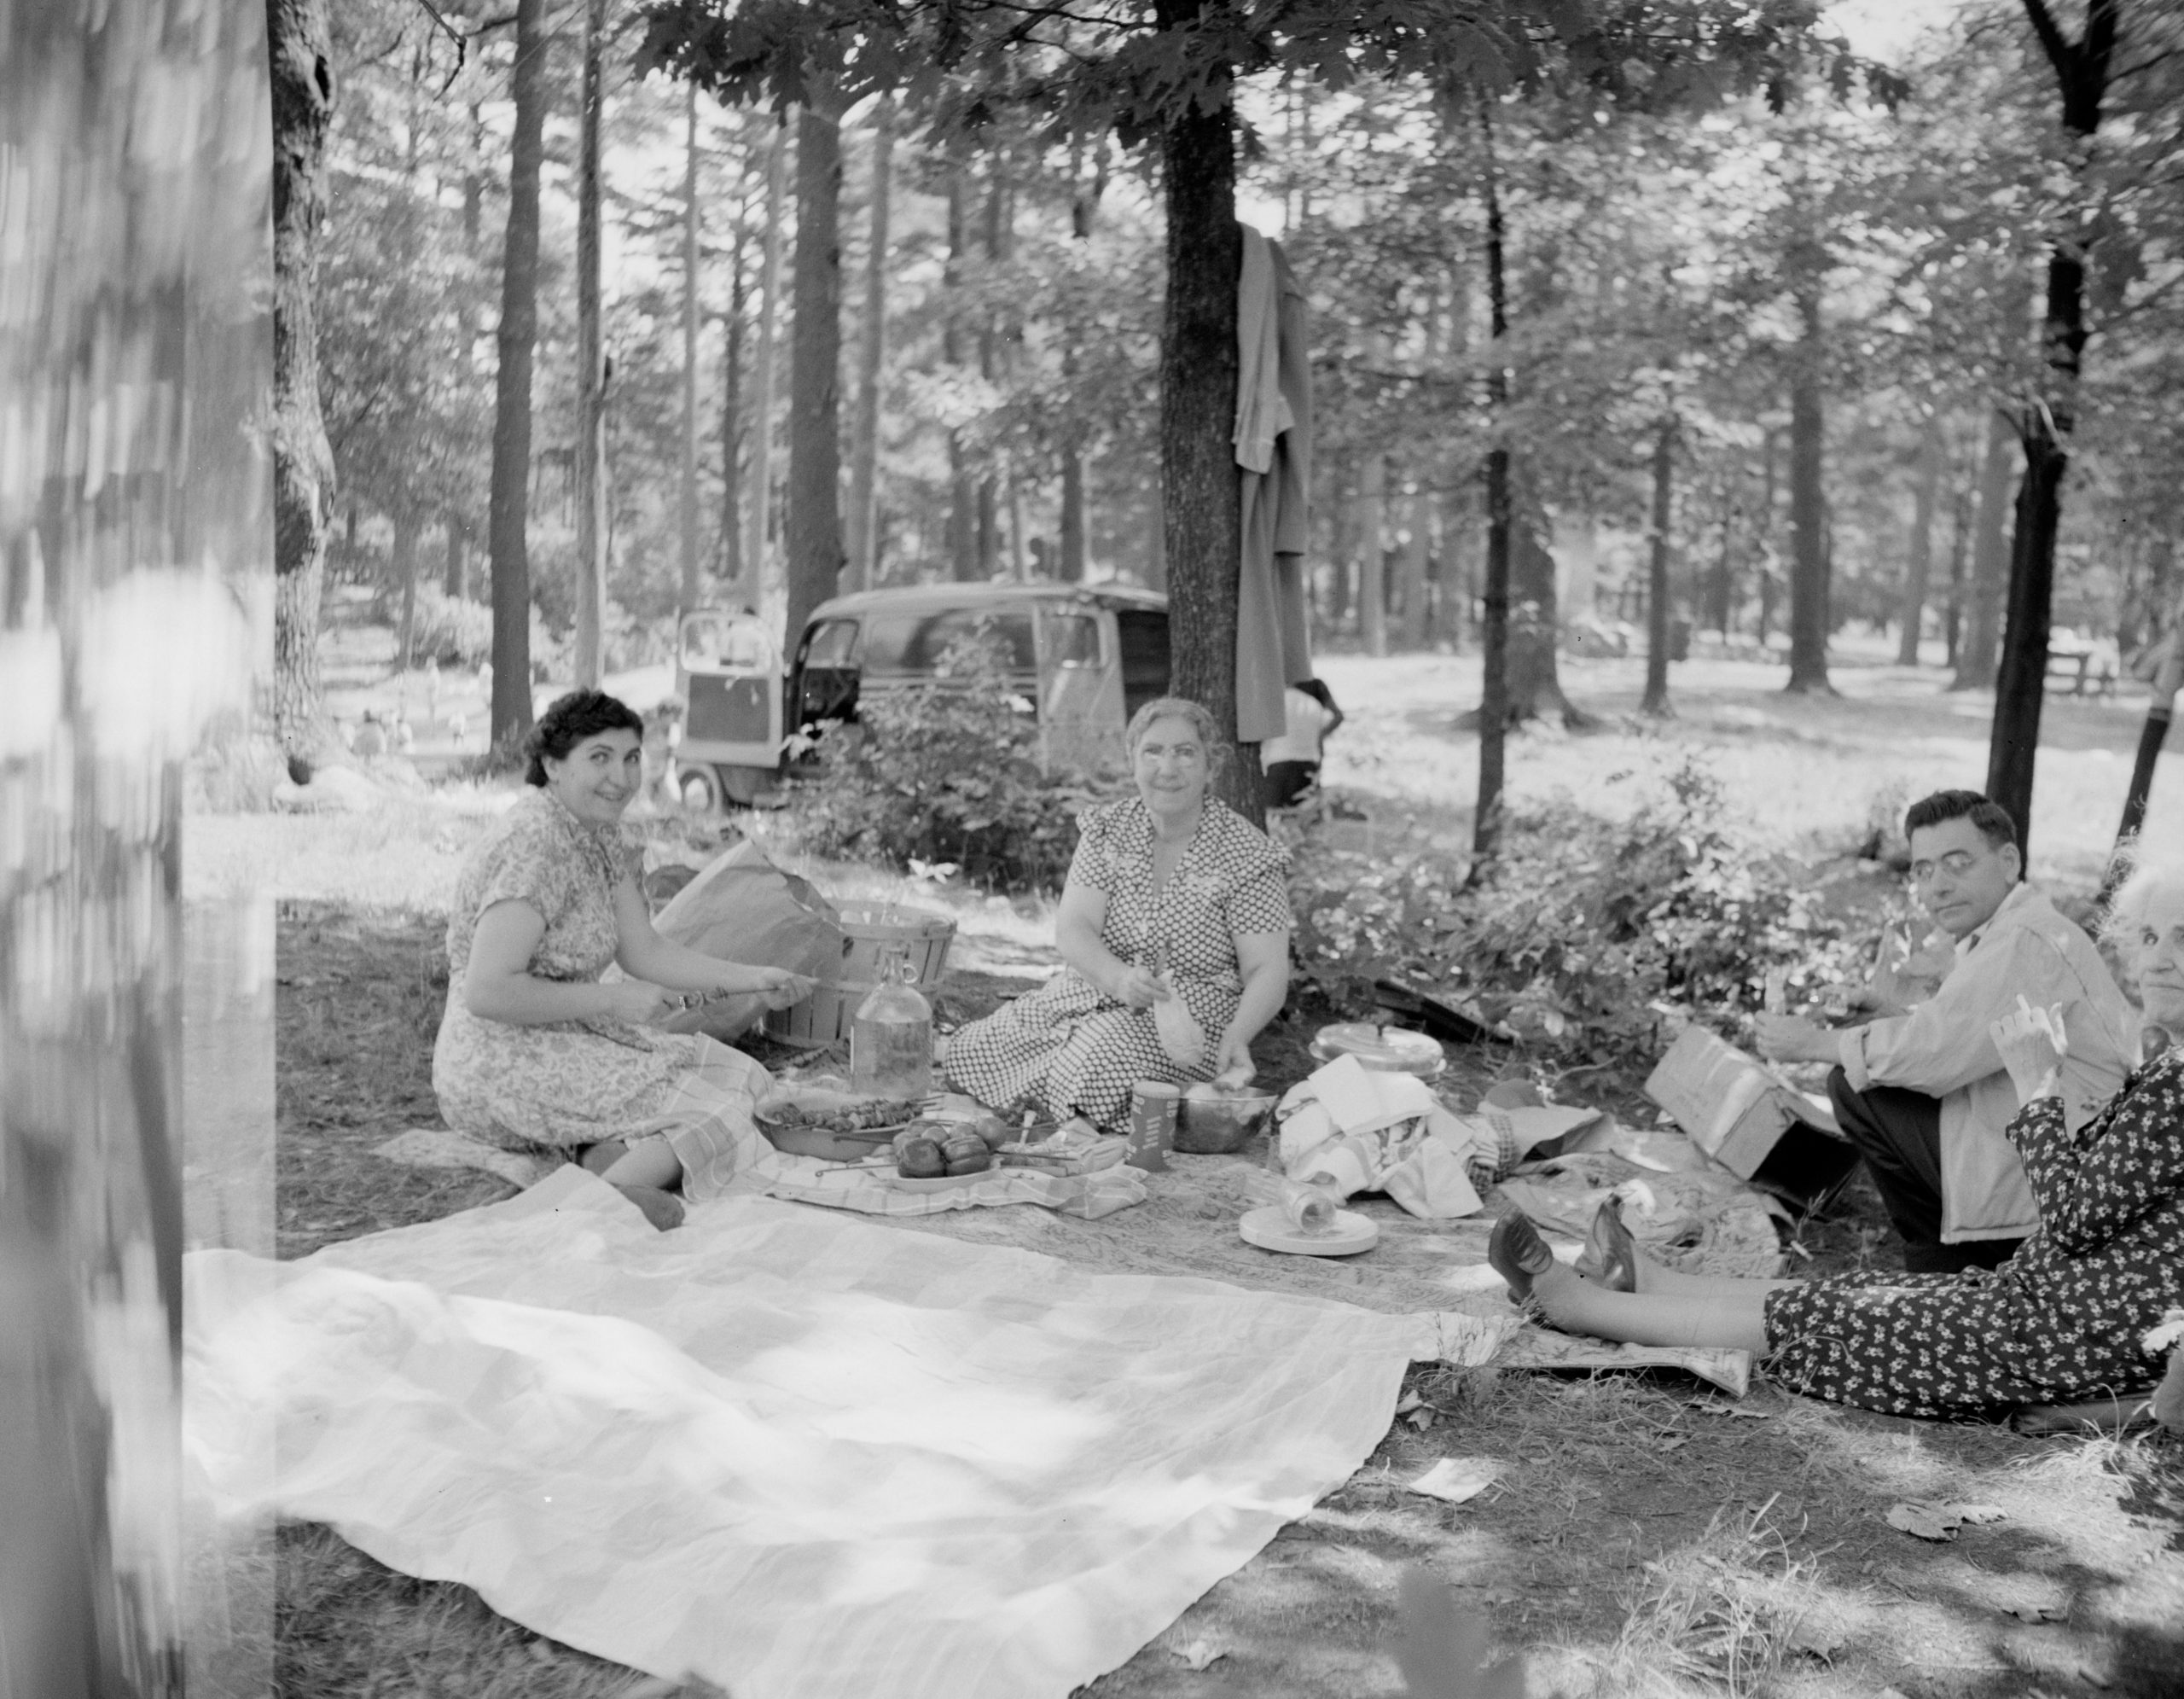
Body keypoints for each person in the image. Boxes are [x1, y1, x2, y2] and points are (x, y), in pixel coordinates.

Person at [1487, 852, 2184, 1422]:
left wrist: (2039, 1085)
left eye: (2182, 936)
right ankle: (1652, 1284)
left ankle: (1585, 1307)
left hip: (2063, 1336)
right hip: (2056, 1309)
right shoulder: (2171, 1070)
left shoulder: (2173, 1084)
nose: (2157, 960)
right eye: (2151, 937)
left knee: (1836, 1320)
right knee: (1848, 1295)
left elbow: (2070, 1220)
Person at [432, 689, 814, 1229]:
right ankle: (596, 1208)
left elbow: (646, 950)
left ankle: (608, 1168)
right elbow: (488, 992)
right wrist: (612, 999)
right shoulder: (534, 844)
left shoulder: (599, 833)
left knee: (746, 1081)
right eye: (600, 757)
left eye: (632, 757)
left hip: (567, 1035)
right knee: (716, 1111)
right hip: (496, 1057)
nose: (622, 775)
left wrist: (752, 979)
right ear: (552, 766)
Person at [1754, 789, 2137, 1272]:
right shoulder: (2014, 928)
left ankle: (1954, 1261)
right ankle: (1952, 1256)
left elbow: (1939, 1055)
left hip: (2070, 1182)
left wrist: (1812, 1044)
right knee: (1869, 1066)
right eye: (1923, 869)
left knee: (1855, 1083)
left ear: (2008, 861)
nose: (1937, 886)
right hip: (2071, 1153)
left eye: (1957, 863)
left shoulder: (2025, 939)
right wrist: (1889, 1007)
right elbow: (1970, 1032)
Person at [946, 696, 1293, 1130]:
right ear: (1133, 761)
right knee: (971, 1051)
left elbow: (1268, 970)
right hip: (1089, 993)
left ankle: (1061, 1107)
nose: (1167, 769)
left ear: (1212, 767)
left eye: (1185, 753)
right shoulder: (1109, 830)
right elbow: (1074, 929)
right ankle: (1060, 1107)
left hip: (1189, 1023)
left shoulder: (1247, 854)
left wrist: (1238, 1035)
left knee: (1099, 1060)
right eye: (1153, 751)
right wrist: (1119, 979)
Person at [1261, 678, 1344, 811]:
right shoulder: (1314, 704)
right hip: (1308, 766)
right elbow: (1319, 742)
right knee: (1304, 817)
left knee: (1274, 815)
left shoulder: (1275, 702)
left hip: (1278, 766)